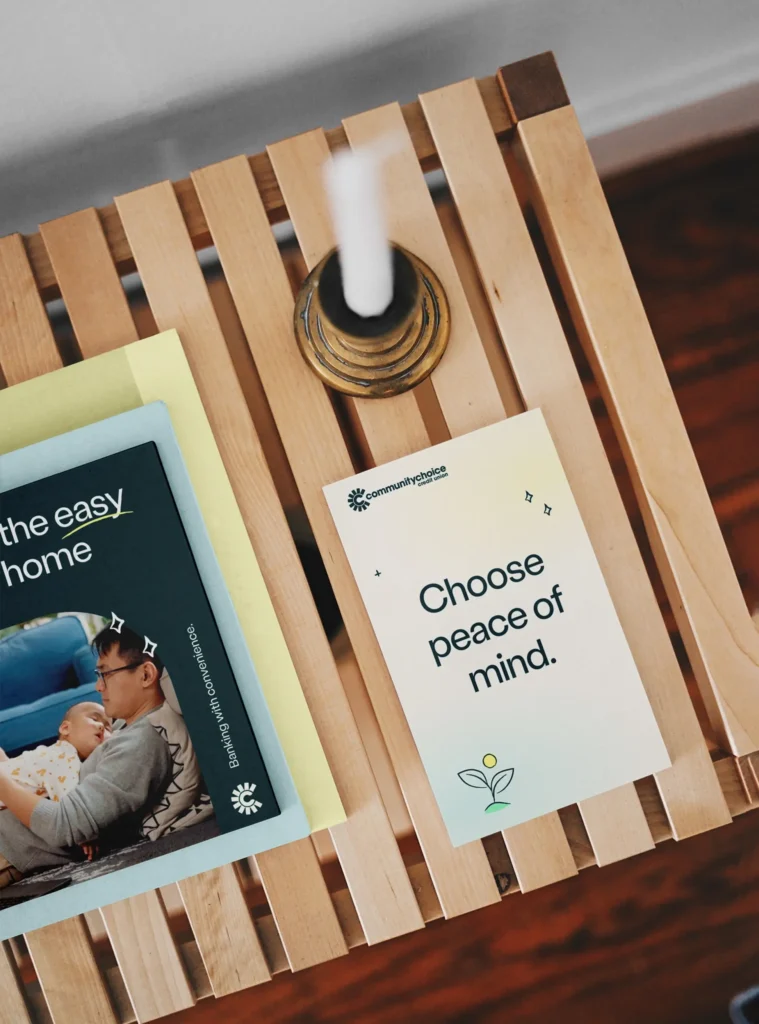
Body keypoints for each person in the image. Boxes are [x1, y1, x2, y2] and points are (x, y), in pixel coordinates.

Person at [0, 625, 173, 887]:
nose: (97, 685)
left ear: (146, 674)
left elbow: (65, 826)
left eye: (105, 674)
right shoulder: (124, 730)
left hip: (7, 848)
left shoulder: (143, 741)